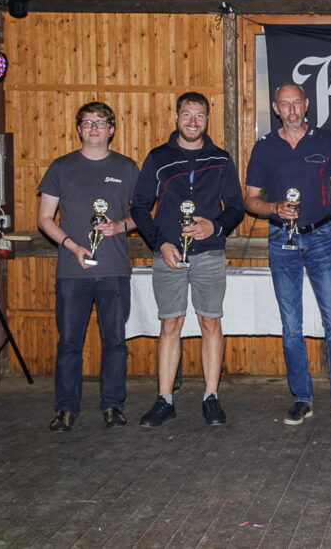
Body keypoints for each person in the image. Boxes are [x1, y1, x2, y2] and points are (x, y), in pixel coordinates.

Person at [243, 82, 331, 432]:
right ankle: (302, 398)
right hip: (282, 239)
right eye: (285, 104)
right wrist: (274, 208)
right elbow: (250, 200)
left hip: (322, 238)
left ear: (306, 105)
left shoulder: (326, 141)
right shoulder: (264, 147)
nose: (292, 110)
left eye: (297, 103)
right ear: (276, 108)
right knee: (291, 326)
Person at [130, 91, 244, 428]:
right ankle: (164, 400)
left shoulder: (221, 159)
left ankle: (211, 397)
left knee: (210, 322)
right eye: (187, 115)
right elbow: (139, 206)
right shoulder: (158, 157)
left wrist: (215, 226)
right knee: (170, 325)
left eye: (200, 115)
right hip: (169, 254)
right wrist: (160, 242)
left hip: (209, 253)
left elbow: (236, 206)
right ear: (177, 117)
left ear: (207, 119)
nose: (193, 121)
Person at [37, 102, 138, 432]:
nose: (94, 127)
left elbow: (143, 214)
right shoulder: (61, 167)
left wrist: (120, 226)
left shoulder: (127, 167)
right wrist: (71, 245)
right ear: (79, 129)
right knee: (69, 344)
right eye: (88, 122)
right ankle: (65, 409)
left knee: (115, 343)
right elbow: (44, 218)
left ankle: (113, 405)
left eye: (101, 122)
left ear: (112, 130)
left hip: (114, 270)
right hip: (72, 271)